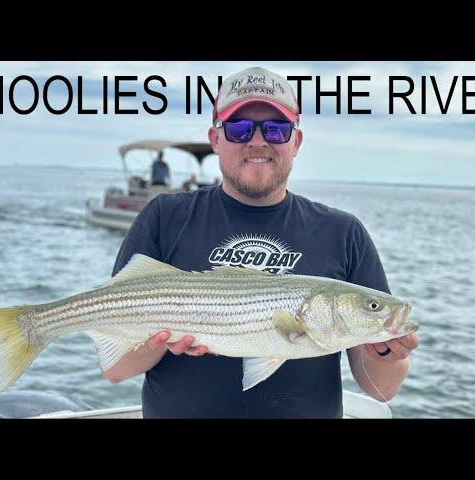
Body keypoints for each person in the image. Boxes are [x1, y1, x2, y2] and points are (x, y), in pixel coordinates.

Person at [105, 66, 419, 418]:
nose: (257, 141)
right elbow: (117, 369)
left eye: (276, 128)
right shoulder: (164, 217)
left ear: (296, 141)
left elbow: (382, 389)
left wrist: (386, 353)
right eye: (239, 129)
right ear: (216, 139)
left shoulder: (344, 232)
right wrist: (158, 341)